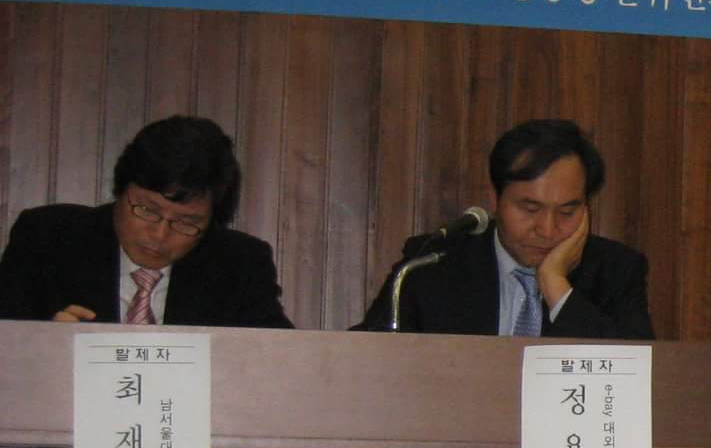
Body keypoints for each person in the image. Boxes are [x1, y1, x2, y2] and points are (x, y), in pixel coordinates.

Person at [356, 119, 653, 338]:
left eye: (567, 211)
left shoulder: (616, 270)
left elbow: (634, 372)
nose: (547, 229)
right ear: (495, 198)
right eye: (530, 209)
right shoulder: (431, 263)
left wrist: (555, 285)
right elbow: (368, 356)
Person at [0, 115, 292, 328]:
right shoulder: (47, 239)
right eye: (148, 210)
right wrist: (44, 341)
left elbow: (278, 358)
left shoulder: (239, 263)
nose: (160, 234)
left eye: (186, 223)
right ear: (121, 190)